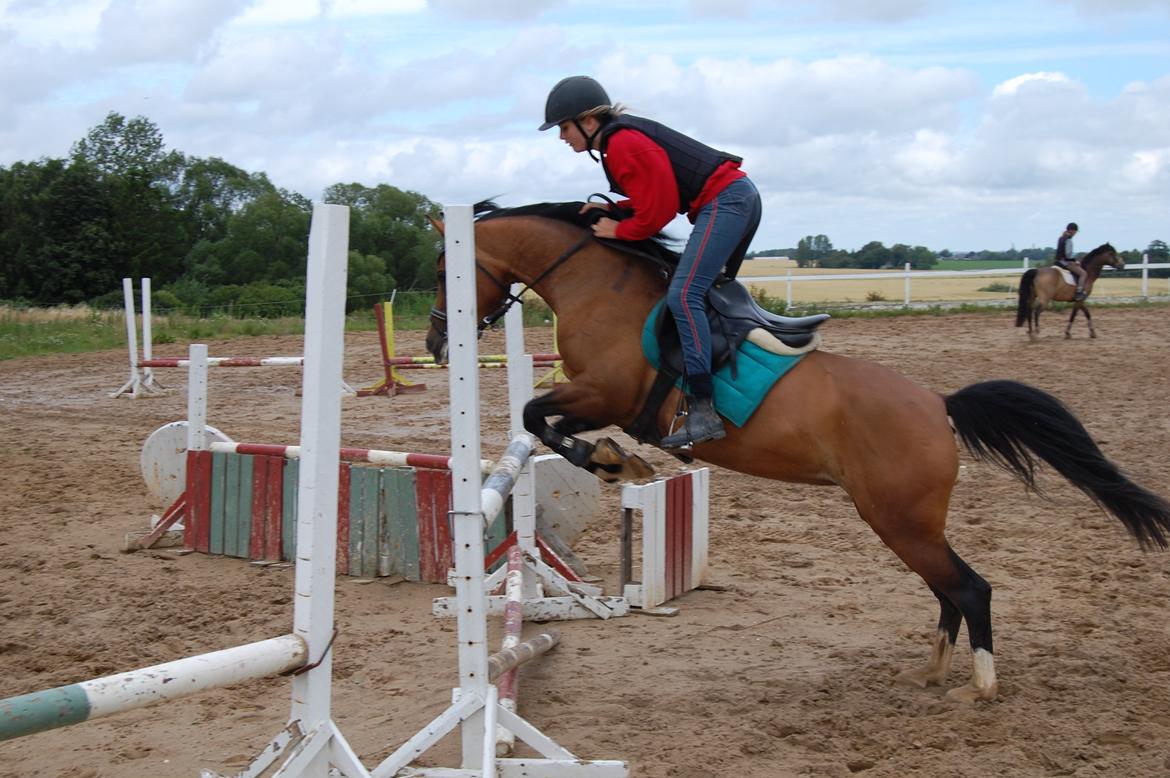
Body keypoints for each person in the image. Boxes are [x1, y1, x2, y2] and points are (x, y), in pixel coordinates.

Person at [539, 75, 762, 448]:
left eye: (564, 127)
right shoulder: (621, 140)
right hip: (735, 199)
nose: (562, 137)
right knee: (704, 296)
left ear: (588, 121)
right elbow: (657, 196)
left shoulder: (622, 143)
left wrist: (619, 229)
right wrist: (616, 209)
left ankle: (703, 409)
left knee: (685, 296)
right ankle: (724, 386)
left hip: (727, 202)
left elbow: (659, 212)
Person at [1055, 222, 1086, 300]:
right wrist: (1075, 261)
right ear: (1072, 230)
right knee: (1083, 273)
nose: (1075, 233)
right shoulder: (1068, 240)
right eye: (1075, 231)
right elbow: (1068, 255)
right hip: (1065, 262)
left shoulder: (1061, 238)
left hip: (1058, 260)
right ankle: (1079, 292)